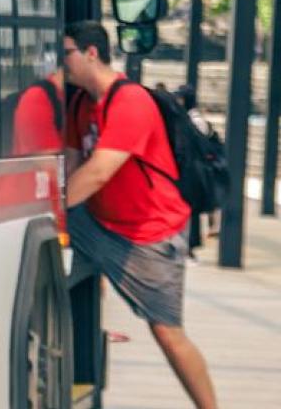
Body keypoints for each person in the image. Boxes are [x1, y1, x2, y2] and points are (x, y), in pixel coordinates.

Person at [61, 21, 218, 409]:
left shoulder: (129, 101)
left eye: (65, 53)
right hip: (96, 224)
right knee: (36, 266)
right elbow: (70, 164)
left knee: (167, 333)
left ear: (91, 53)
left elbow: (98, 171)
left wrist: (53, 208)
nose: (59, 61)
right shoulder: (80, 103)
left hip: (148, 234)